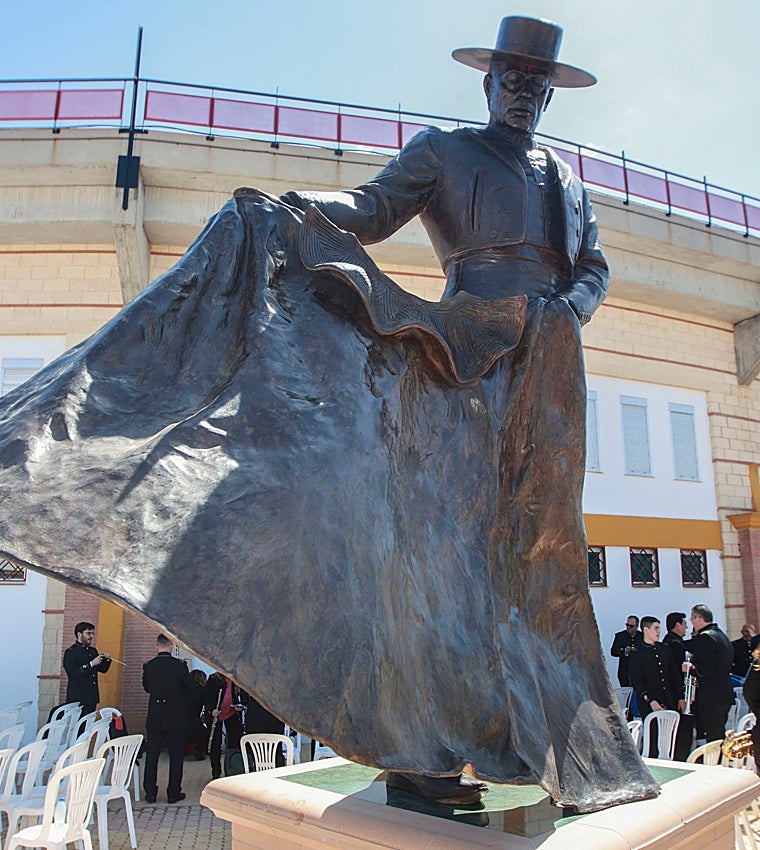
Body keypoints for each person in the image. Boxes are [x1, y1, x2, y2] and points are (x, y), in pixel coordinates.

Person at [0, 14, 659, 813]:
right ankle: (422, 753)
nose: (524, 95)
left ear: (550, 96)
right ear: (488, 83)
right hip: (461, 354)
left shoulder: (568, 178)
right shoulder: (445, 151)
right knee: (437, 552)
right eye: (512, 80)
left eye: (537, 85)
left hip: (548, 361)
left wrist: (568, 310)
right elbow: (370, 209)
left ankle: (534, 737)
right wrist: (290, 208)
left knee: (537, 553)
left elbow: (594, 262)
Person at [142, 634, 191, 804]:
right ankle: (173, 793)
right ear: (171, 646)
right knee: (176, 755)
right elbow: (188, 688)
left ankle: (150, 792)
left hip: (155, 715)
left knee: (152, 755)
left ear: (156, 647)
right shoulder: (180, 666)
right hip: (175, 714)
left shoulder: (148, 666)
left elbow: (147, 688)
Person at [629, 616, 686, 759]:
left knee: (671, 737)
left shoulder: (664, 649)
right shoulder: (637, 653)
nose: (659, 631)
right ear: (646, 629)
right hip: (650, 703)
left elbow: (674, 675)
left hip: (668, 699)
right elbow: (637, 681)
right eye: (656, 628)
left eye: (659, 628)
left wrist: (680, 697)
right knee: (653, 739)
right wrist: (650, 700)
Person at [684, 604, 734, 744]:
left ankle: (715, 763)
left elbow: (706, 670)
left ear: (699, 618)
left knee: (713, 737)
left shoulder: (705, 638)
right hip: (724, 693)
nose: (691, 622)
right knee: (718, 732)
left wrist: (689, 668)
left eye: (692, 618)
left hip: (711, 696)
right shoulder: (721, 635)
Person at [663, 611, 695, 758]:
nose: (686, 628)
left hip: (674, 693)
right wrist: (681, 696)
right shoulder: (674, 644)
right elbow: (676, 674)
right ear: (677, 625)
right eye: (684, 624)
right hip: (678, 694)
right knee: (683, 732)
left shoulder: (669, 641)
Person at [62, 621, 112, 715]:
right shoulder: (71, 652)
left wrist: (107, 660)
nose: (91, 636)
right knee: (78, 726)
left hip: (91, 696)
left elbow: (102, 669)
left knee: (88, 725)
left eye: (92, 633)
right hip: (77, 697)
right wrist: (91, 664)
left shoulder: (93, 651)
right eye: (88, 633)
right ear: (79, 634)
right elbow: (72, 673)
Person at [205, 672, 245, 780]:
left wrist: (240, 706)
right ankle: (216, 773)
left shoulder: (236, 680)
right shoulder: (213, 679)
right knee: (215, 745)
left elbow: (240, 698)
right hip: (216, 714)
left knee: (234, 743)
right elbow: (206, 698)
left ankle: (231, 770)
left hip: (231, 713)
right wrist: (211, 710)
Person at [610, 616, 643, 687]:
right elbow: (613, 651)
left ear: (636, 626)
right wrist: (624, 651)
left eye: (631, 626)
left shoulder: (642, 637)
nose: (628, 627)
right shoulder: (620, 636)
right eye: (627, 625)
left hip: (640, 672)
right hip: (625, 671)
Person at [185, 669, 208, 760]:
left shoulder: (184, 690)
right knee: (204, 733)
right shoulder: (202, 690)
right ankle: (199, 750)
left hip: (180, 720)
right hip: (194, 720)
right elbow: (207, 704)